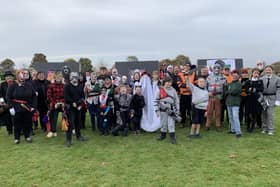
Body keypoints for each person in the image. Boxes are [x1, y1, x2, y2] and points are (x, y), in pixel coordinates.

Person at [6, 70, 37, 144]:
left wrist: (33, 107)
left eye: (23, 75)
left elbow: (34, 96)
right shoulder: (12, 86)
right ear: (17, 76)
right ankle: (17, 138)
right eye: (20, 76)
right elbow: (8, 97)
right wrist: (11, 107)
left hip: (27, 107)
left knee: (28, 123)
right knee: (17, 123)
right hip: (16, 107)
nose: (22, 77)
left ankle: (27, 137)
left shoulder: (29, 85)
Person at [64, 72, 88, 147]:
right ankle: (68, 140)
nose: (74, 78)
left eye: (76, 77)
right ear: (70, 78)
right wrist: (72, 103)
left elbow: (82, 96)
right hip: (70, 108)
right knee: (70, 124)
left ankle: (79, 136)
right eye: (73, 77)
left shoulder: (80, 86)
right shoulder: (67, 86)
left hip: (78, 107)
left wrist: (80, 105)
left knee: (78, 123)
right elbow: (66, 97)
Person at [155, 76, 180, 144]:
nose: (169, 84)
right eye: (167, 82)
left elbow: (176, 101)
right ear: (164, 82)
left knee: (171, 124)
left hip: (171, 110)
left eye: (170, 82)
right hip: (163, 110)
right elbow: (156, 101)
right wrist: (157, 110)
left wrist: (177, 110)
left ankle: (172, 137)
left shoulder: (173, 90)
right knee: (163, 123)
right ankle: (163, 135)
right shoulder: (160, 90)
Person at [205, 60, 226, 131]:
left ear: (220, 69)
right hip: (210, 97)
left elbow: (225, 88)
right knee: (209, 112)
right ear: (213, 69)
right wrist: (207, 94)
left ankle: (218, 125)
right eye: (215, 68)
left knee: (218, 112)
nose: (216, 69)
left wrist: (223, 97)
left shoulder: (223, 77)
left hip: (218, 97)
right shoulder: (209, 77)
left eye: (218, 68)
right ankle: (207, 125)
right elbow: (205, 87)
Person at [260, 65, 280, 135]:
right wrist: (260, 98)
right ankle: (264, 128)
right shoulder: (262, 79)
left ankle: (271, 129)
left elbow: (278, 89)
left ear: (272, 70)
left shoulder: (277, 79)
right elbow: (260, 90)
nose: (268, 71)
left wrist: (278, 100)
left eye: (269, 70)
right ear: (265, 71)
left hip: (272, 98)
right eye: (267, 70)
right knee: (263, 114)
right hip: (264, 98)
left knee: (270, 114)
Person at [177, 61, 196, 128]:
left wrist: (189, 86)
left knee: (191, 109)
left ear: (190, 67)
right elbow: (179, 84)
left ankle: (192, 122)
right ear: (184, 66)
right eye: (186, 66)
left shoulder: (194, 73)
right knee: (182, 110)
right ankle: (182, 122)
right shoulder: (180, 74)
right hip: (183, 95)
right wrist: (188, 86)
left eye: (188, 66)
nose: (187, 67)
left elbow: (196, 83)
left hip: (191, 95)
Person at [46, 71, 64, 138]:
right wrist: (55, 103)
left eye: (60, 76)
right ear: (55, 77)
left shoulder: (64, 86)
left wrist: (62, 102)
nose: (59, 77)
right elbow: (49, 96)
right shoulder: (51, 86)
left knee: (69, 113)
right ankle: (53, 131)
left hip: (62, 104)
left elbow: (66, 96)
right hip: (54, 103)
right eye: (57, 76)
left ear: (62, 77)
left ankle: (70, 128)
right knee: (53, 116)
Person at [225, 70, 242, 138]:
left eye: (236, 76)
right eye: (233, 76)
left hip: (235, 103)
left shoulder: (239, 83)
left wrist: (229, 91)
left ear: (238, 76)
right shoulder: (230, 83)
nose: (234, 77)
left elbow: (235, 92)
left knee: (235, 117)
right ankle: (233, 129)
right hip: (229, 102)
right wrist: (229, 91)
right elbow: (226, 91)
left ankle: (238, 132)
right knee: (230, 117)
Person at [0, 71, 15, 135]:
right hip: (6, 104)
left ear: (12, 77)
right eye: (7, 76)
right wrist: (2, 102)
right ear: (5, 78)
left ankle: (18, 128)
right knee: (7, 117)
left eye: (10, 76)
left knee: (16, 117)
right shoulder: (2, 84)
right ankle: (9, 130)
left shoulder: (15, 83)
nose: (9, 77)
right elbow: (0, 94)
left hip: (15, 103)